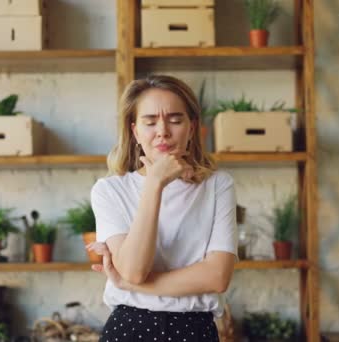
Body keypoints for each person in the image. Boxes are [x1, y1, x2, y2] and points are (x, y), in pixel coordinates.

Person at [87, 75, 237, 342]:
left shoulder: (217, 186)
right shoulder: (109, 191)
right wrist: (155, 183)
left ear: (192, 128)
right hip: (128, 328)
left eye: (175, 120)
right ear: (134, 131)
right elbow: (134, 269)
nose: (163, 131)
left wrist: (129, 284)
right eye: (150, 121)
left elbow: (217, 277)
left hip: (195, 330)